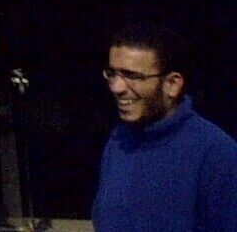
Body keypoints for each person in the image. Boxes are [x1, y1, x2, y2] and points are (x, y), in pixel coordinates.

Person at [94, 20, 237, 232]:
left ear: (172, 84)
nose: (117, 87)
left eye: (132, 76)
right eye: (112, 74)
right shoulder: (119, 140)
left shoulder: (217, 155)